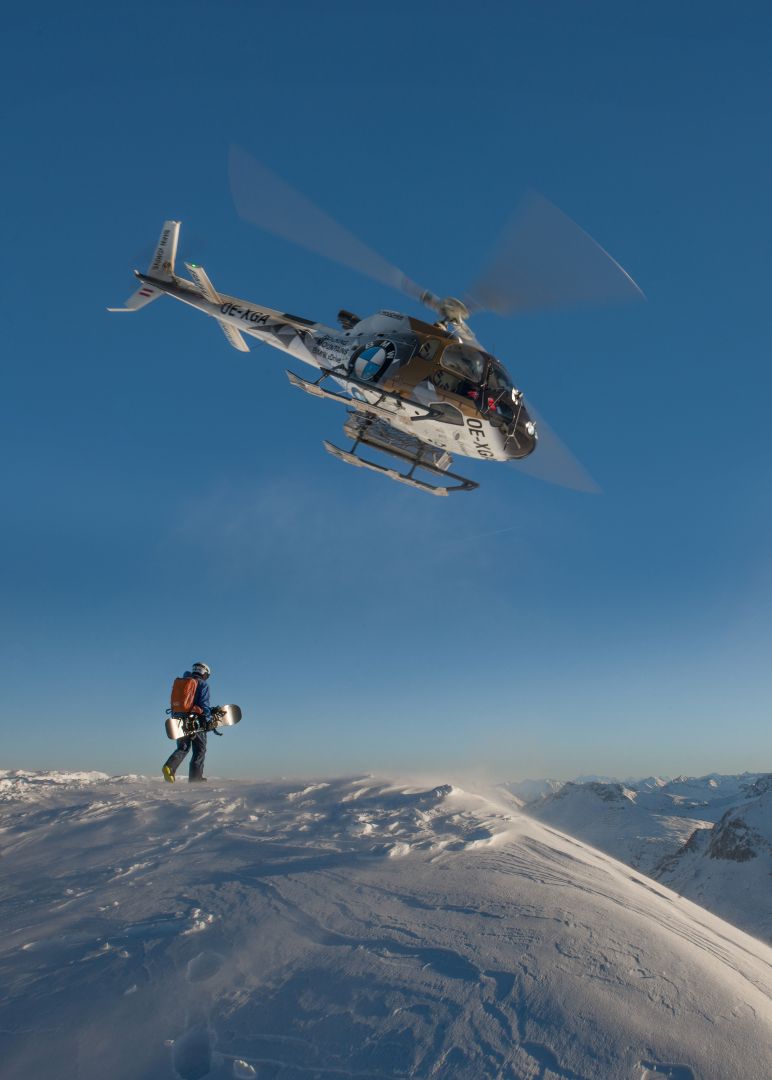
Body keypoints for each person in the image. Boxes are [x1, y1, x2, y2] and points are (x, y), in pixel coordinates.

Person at [163, 661, 212, 783]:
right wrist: (207, 718)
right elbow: (204, 705)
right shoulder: (202, 684)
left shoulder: (182, 682)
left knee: (183, 747)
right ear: (204, 672)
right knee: (200, 749)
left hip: (178, 719)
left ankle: (169, 767)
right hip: (195, 721)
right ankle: (195, 779)